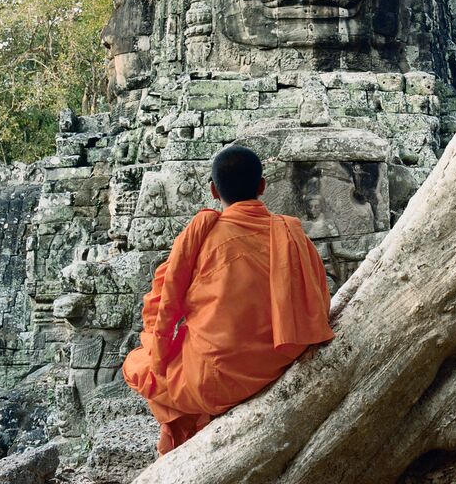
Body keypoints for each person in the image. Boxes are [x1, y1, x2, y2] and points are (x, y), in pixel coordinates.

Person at [122, 145, 335, 455]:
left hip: (215, 379)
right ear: (262, 186)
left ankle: (196, 428)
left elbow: (161, 305)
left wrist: (160, 356)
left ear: (212, 189)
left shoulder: (202, 238)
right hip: (278, 361)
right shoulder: (292, 233)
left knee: (136, 364)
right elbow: (319, 300)